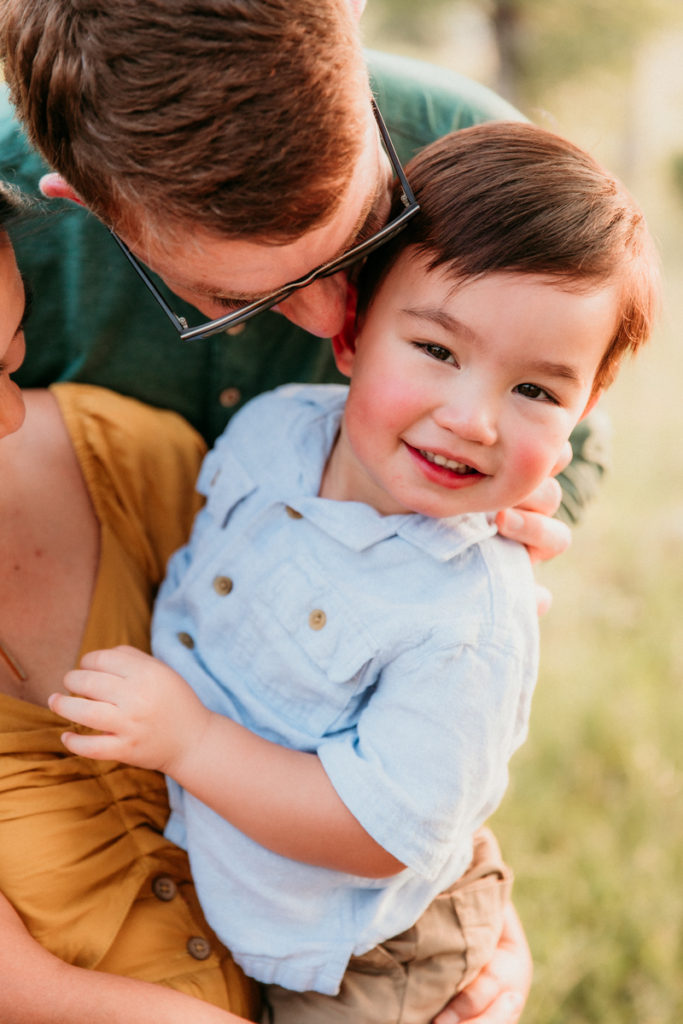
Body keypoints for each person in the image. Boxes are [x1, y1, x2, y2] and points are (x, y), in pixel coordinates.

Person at [49, 122, 659, 1024]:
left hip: (363, 946)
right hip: (246, 881)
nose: (474, 418)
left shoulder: (466, 620)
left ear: (584, 410)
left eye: (536, 390)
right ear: (350, 333)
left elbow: (375, 837)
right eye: (438, 352)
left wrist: (188, 744)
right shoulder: (271, 431)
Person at [0, 182, 528, 1024]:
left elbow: (347, 700)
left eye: (11, 357)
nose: (7, 418)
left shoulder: (136, 459)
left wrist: (450, 897)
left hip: (335, 961)